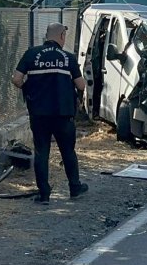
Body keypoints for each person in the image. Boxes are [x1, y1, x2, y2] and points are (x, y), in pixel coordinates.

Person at [11, 23, 89, 205]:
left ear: (46, 37)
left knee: (41, 152)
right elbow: (81, 85)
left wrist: (28, 87)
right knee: (68, 151)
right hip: (63, 113)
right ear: (61, 36)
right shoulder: (68, 57)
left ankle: (44, 194)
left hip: (39, 113)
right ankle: (75, 188)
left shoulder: (31, 54)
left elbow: (16, 79)